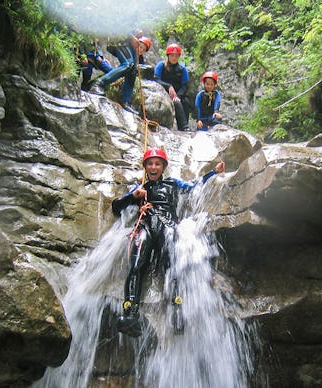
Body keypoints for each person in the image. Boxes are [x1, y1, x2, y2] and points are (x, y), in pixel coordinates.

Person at [111, 148, 226, 337]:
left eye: (157, 163)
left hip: (168, 227)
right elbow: (117, 207)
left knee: (172, 266)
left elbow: (194, 186)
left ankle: (177, 311)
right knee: (136, 265)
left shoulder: (173, 183)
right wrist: (133, 197)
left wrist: (214, 172)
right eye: (150, 163)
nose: (153, 167)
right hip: (146, 227)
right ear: (145, 167)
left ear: (163, 166)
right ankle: (130, 314)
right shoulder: (141, 188)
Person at [91, 34, 152, 114]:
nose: (140, 50)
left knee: (132, 70)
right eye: (140, 47)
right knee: (128, 65)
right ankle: (99, 83)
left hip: (124, 40)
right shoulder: (133, 43)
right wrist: (131, 36)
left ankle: (126, 101)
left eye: (143, 50)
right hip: (121, 41)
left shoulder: (136, 56)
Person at [154, 44, 191, 131]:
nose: (174, 58)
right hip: (163, 92)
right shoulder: (161, 65)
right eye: (172, 55)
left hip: (177, 94)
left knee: (185, 102)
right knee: (177, 103)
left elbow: (185, 86)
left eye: (176, 56)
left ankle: (184, 127)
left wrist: (178, 96)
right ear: (168, 56)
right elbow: (156, 79)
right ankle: (184, 127)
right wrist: (169, 86)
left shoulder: (182, 69)